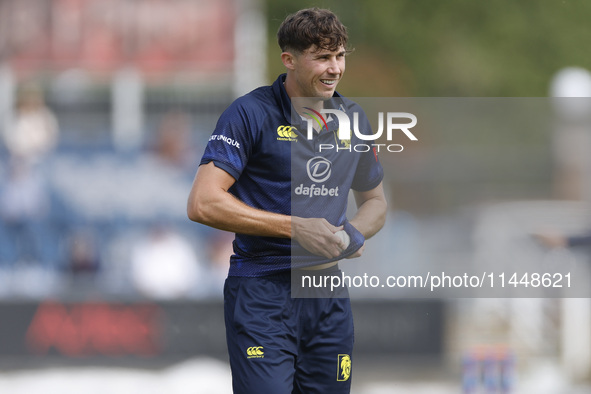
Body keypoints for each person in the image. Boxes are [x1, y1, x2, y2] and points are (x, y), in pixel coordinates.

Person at [187, 8, 387, 393]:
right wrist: (297, 228)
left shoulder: (353, 119)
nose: (334, 68)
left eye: (340, 55)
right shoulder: (250, 113)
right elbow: (202, 202)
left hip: (327, 296)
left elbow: (375, 202)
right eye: (322, 57)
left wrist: (350, 236)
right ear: (289, 59)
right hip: (263, 292)